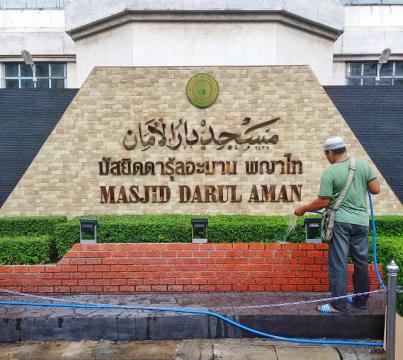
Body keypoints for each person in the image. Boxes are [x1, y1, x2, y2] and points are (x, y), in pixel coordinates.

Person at [294, 136, 380, 313]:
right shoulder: (363, 165)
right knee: (361, 263)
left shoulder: (330, 172)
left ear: (330, 152)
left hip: (340, 222)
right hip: (361, 223)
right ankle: (361, 301)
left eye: (326, 154)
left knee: (339, 263)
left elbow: (324, 201)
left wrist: (303, 208)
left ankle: (338, 305)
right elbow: (376, 189)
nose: (327, 157)